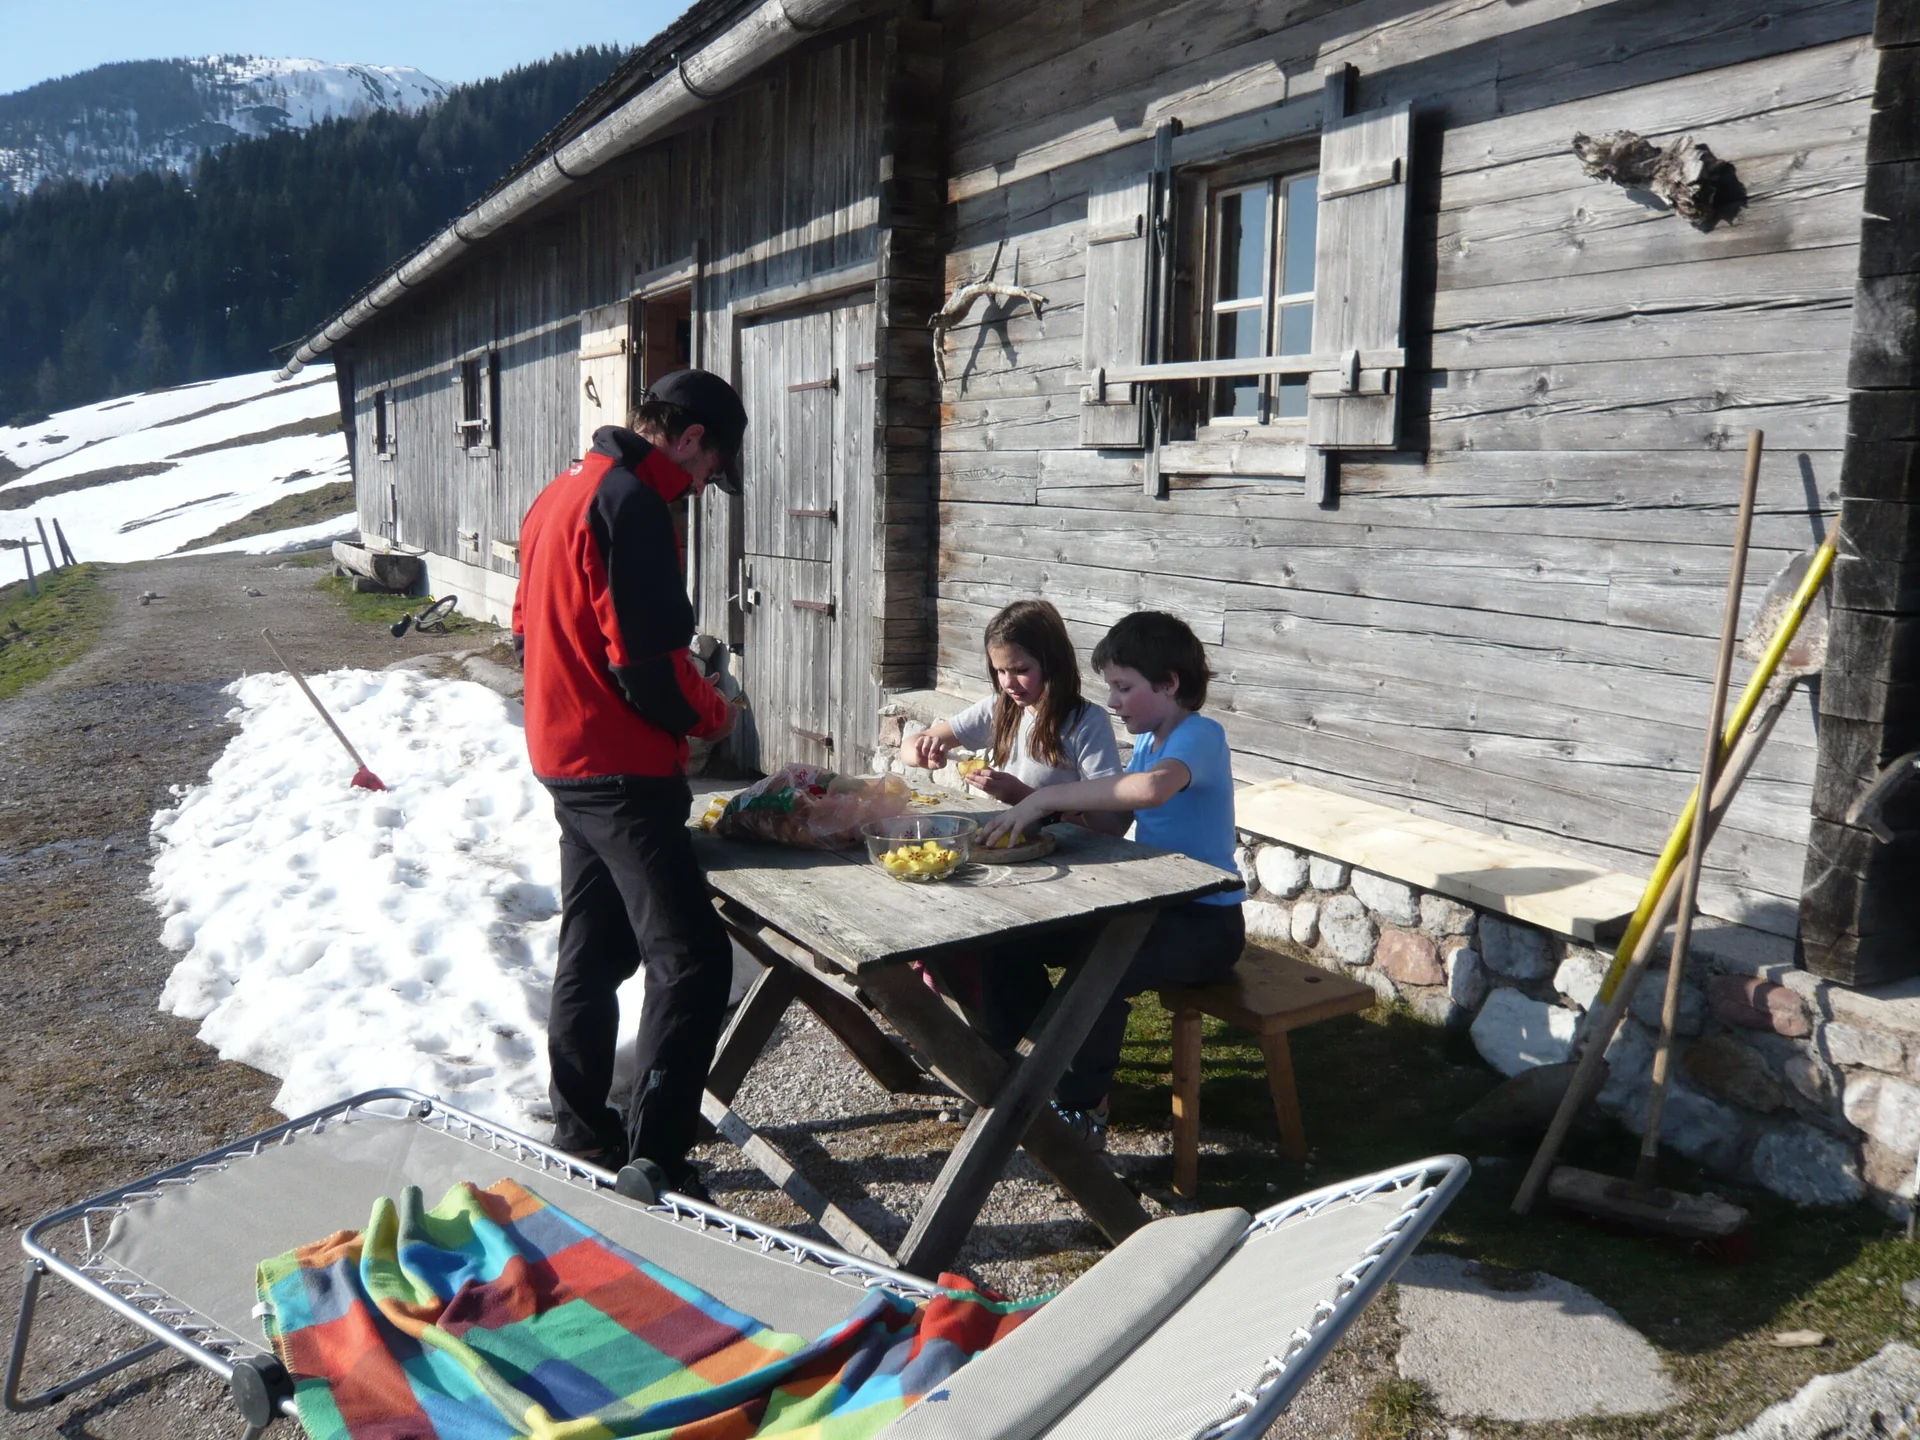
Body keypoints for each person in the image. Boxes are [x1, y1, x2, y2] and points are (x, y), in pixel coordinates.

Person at [512, 368, 748, 1199]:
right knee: (691, 958)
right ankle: (658, 1161)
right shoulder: (633, 505)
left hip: (563, 754)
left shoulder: (559, 493)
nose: (701, 486)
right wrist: (710, 715)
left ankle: (583, 1129)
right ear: (688, 438)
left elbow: (522, 631)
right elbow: (646, 662)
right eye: (708, 469)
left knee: (596, 945)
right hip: (619, 770)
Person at [980, 610, 1246, 1148]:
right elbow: (1115, 818)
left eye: (1124, 688)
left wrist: (1045, 797)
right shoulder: (1151, 741)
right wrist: (1039, 810)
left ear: (1170, 684)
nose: (1113, 701)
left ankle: (1083, 1109)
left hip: (1206, 924)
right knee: (1006, 942)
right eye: (1111, 688)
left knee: (1098, 973)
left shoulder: (1200, 736)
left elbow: (1149, 792)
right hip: (1154, 905)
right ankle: (1025, 1070)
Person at [899, 598, 1122, 822]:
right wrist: (922, 753)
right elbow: (908, 747)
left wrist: (1023, 797)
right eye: (1000, 671)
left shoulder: (1088, 722)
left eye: (1020, 670)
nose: (1008, 683)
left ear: (1052, 663)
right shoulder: (1000, 707)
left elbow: (1109, 823)